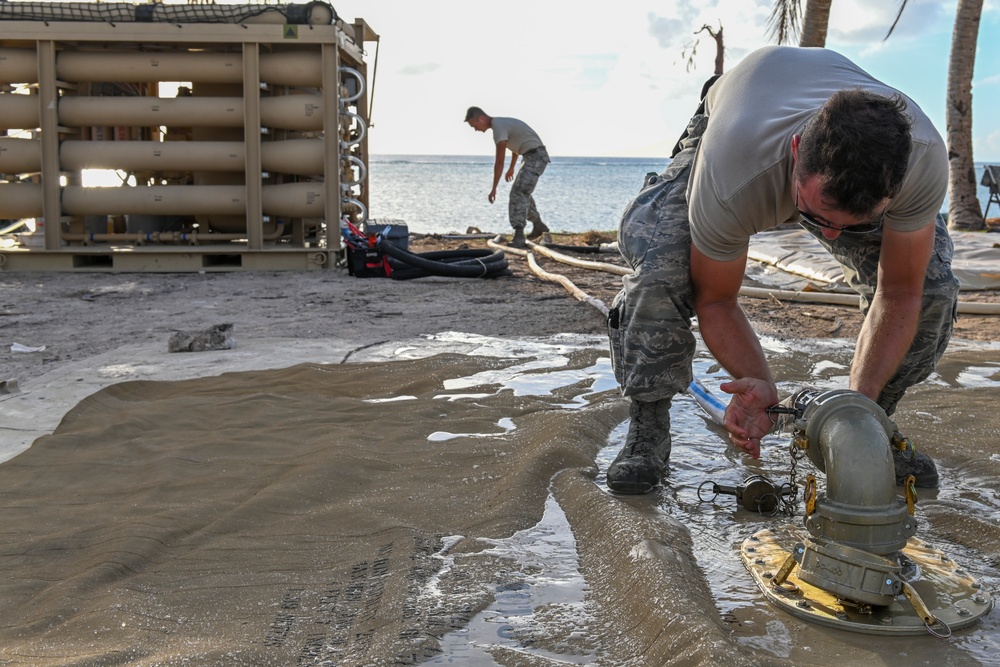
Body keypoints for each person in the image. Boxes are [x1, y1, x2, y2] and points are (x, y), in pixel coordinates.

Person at [605, 46, 959, 495]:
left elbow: (901, 292)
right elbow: (716, 298)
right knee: (659, 272)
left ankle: (874, 422)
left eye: (851, 225)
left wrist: (851, 415)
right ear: (796, 153)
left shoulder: (921, 161)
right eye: (818, 217)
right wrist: (761, 389)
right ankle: (648, 426)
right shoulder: (734, 169)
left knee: (933, 289)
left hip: (840, 138)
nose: (830, 239)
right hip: (735, 122)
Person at [465, 107, 550, 248]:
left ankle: (519, 236)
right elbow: (517, 144)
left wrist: (494, 189)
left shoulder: (498, 127)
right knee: (524, 192)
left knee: (518, 193)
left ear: (481, 118)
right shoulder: (502, 124)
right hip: (532, 156)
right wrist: (511, 167)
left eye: (474, 125)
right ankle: (538, 225)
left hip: (535, 156)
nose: (475, 129)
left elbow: (499, 162)